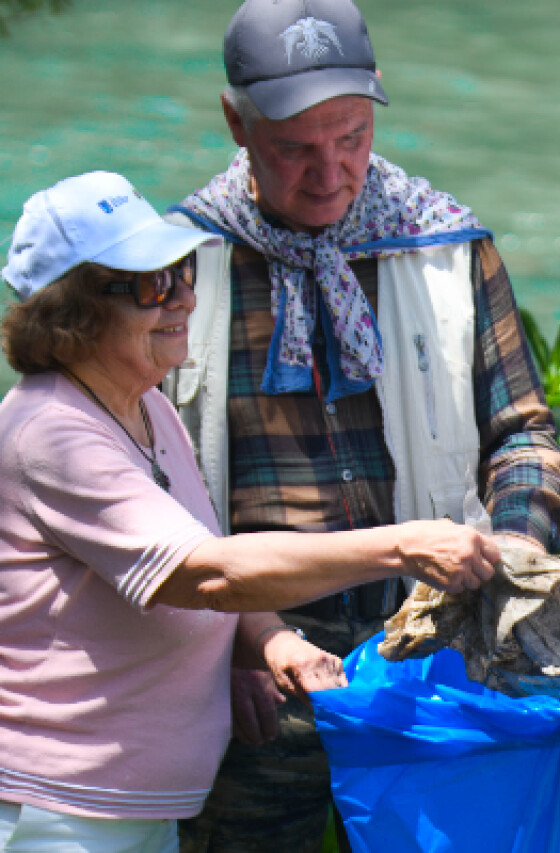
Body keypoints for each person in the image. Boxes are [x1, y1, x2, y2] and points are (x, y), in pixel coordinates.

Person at [165, 1, 560, 850]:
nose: (330, 172)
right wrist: (236, 635)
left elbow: (523, 436)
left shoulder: (445, 245)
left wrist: (514, 561)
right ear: (234, 121)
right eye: (295, 150)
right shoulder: (177, 268)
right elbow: (148, 499)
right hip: (250, 675)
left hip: (430, 655)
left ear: (377, 102)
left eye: (350, 137)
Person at [0, 171, 500, 853]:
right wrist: (401, 545)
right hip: (61, 811)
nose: (182, 296)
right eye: (151, 284)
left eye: (180, 271)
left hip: (127, 805)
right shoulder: (52, 432)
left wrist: (268, 640)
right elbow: (207, 573)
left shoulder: (141, 404)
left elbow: (198, 552)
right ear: (73, 313)